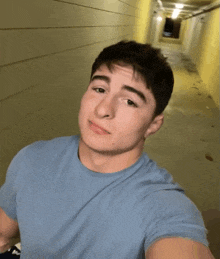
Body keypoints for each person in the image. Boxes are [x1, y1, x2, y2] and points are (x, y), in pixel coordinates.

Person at [0, 41, 215, 258]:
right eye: (100, 89)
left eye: (130, 101)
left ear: (153, 125)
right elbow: (3, 232)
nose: (103, 109)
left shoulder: (163, 206)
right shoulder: (33, 159)